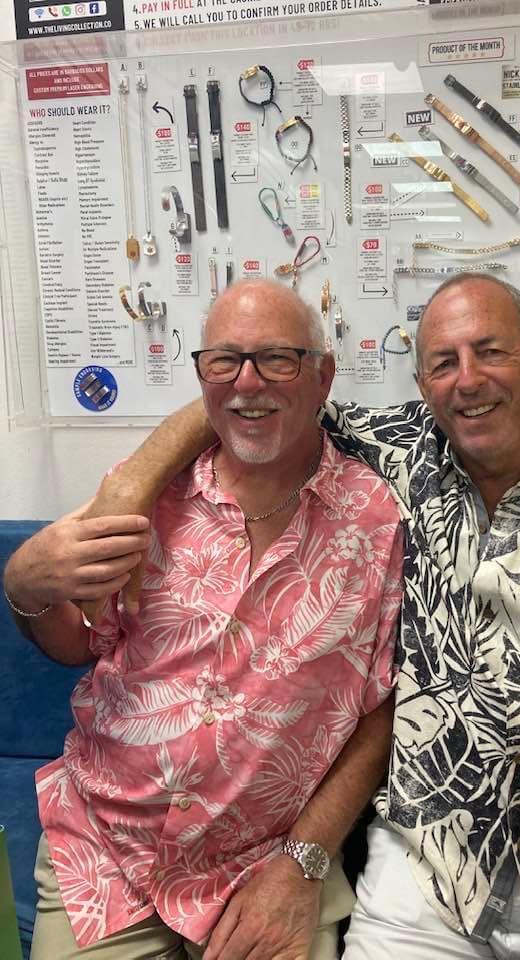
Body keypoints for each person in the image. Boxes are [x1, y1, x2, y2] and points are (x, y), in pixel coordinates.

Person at [69, 274, 520, 960]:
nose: (467, 380)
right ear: (422, 385)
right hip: (428, 881)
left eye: (490, 352)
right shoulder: (404, 457)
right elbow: (252, 391)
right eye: (443, 363)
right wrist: (129, 484)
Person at [3, 280, 404, 960]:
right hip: (107, 854)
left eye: (278, 358)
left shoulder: (378, 520)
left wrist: (302, 861)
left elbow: (381, 707)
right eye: (223, 361)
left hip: (265, 866)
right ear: (201, 376)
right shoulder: (146, 494)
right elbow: (76, 643)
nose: (247, 383)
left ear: (323, 376)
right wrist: (25, 590)